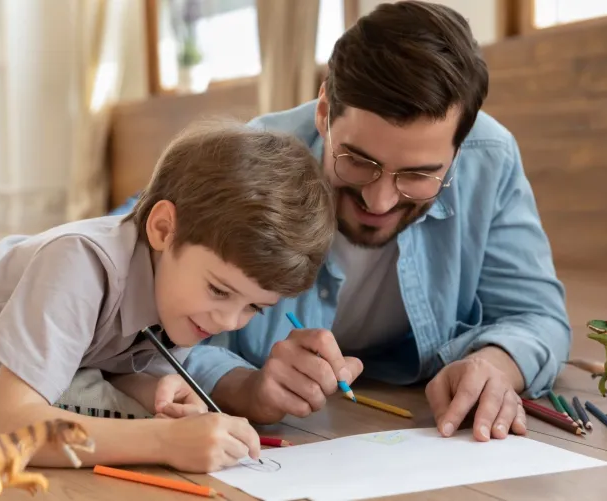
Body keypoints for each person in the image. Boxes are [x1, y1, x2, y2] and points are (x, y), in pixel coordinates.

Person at [182, 1, 571, 442]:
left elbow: (537, 316)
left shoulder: (490, 158)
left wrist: (497, 364)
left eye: (418, 175)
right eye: (358, 161)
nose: (379, 200)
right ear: (325, 110)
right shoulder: (249, 162)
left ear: (458, 151)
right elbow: (147, 326)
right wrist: (243, 387)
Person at [0, 120, 336, 473]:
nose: (230, 321)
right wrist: (164, 442)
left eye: (254, 307)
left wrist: (153, 387)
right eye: (220, 290)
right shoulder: (79, 266)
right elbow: (12, 423)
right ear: (162, 229)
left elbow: (105, 354)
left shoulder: (177, 287)